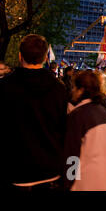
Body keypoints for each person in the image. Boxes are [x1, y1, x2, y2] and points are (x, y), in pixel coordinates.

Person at [0, 34, 67, 190]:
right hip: (51, 172)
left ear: (19, 56)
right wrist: (71, 176)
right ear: (45, 58)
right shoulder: (59, 89)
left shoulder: (5, 86)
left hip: (16, 171)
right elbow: (65, 131)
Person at [64, 70, 106, 191]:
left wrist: (68, 182)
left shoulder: (78, 115)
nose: (73, 91)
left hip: (88, 182)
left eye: (75, 87)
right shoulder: (104, 112)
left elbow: (72, 155)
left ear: (81, 90)